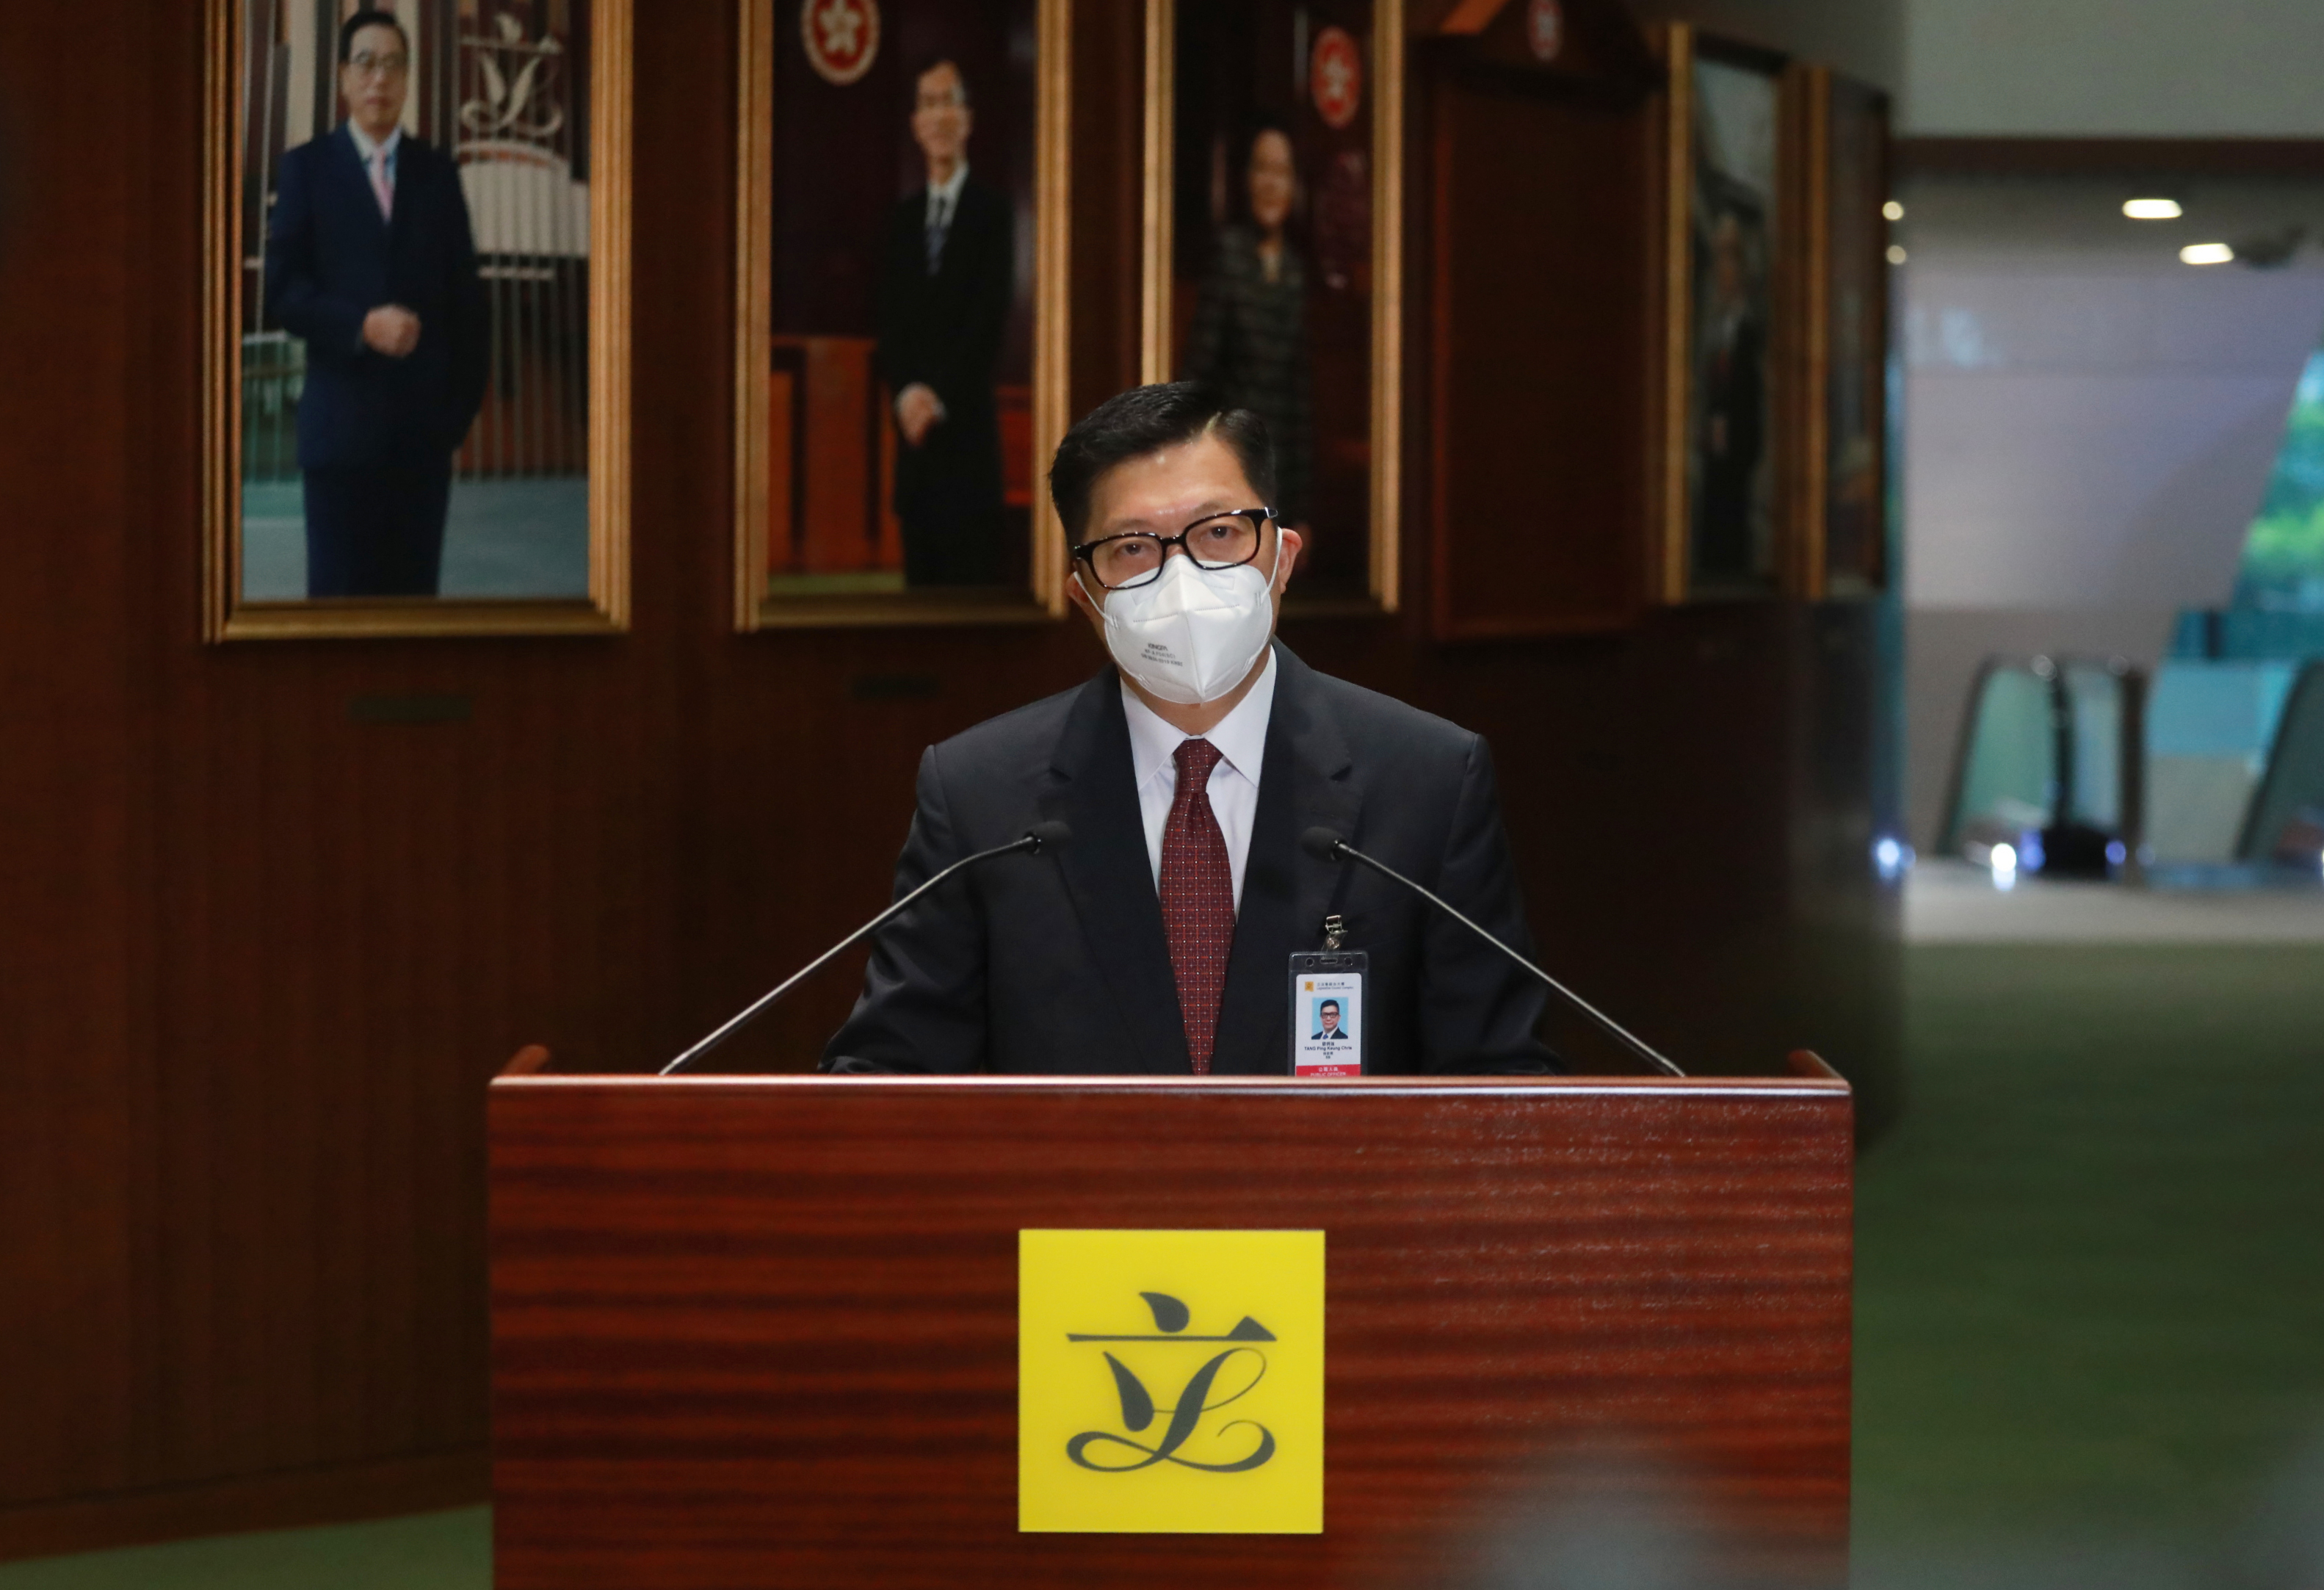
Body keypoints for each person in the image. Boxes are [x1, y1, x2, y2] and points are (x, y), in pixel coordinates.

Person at [822, 382, 1559, 1077]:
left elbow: (1500, 1083)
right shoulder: (979, 797)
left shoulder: (1427, 778)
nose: (1183, 576)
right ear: (1085, 596)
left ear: (1282, 558)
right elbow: (888, 1085)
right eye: (1133, 547)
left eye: (1219, 532)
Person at [264, 9, 488, 599]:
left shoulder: (437, 175)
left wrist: (450, 423)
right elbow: (282, 292)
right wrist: (360, 326)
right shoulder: (307, 169)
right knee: (336, 617)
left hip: (421, 447)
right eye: (365, 63)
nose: (379, 79)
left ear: (408, 78)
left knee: (413, 614)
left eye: (393, 65)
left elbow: (469, 308)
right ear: (343, 77)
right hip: (339, 442)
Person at [875, 59, 1014, 588]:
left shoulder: (993, 214)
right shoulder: (902, 219)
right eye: (927, 104)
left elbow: (986, 322)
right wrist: (907, 394)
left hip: (968, 448)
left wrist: (935, 397)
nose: (938, 115)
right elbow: (888, 323)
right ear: (916, 123)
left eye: (947, 101)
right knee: (917, 602)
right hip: (914, 455)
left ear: (967, 117)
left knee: (970, 599)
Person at [1182, 121, 1312, 530]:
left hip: (1282, 470)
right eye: (1262, 169)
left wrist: (1303, 512)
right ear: (1246, 179)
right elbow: (1198, 376)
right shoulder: (1228, 256)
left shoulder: (1296, 271)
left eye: (1282, 171)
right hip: (1231, 464)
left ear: (1295, 184)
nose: (1271, 183)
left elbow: (1300, 399)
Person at [1695, 210, 1765, 581]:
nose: (1720, 269)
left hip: (1736, 466)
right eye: (1717, 255)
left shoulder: (1748, 331)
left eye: (1729, 256)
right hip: (1715, 461)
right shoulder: (1716, 328)